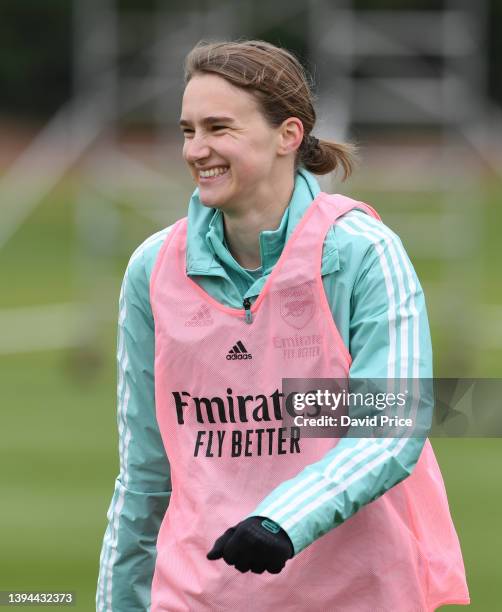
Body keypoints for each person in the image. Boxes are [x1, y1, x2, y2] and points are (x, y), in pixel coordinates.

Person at [96, 40, 470, 611]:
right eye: (187, 130)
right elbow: (145, 477)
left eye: (219, 128)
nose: (196, 150)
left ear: (288, 135)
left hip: (354, 594)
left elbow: (390, 429)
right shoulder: (152, 268)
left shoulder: (362, 252)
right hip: (198, 597)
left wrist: (280, 521)